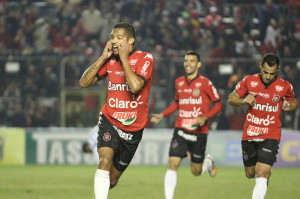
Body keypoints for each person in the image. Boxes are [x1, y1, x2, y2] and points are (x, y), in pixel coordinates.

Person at [79, 22, 154, 199]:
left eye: (119, 38)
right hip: (110, 120)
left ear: (130, 41)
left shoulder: (146, 58)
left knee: (112, 180)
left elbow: (135, 87)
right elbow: (83, 83)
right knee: (104, 161)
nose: (114, 41)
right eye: (112, 37)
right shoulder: (110, 60)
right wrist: (102, 57)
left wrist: (124, 58)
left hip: (133, 129)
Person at [151, 51, 222, 199]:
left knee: (196, 172)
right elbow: (177, 103)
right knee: (173, 163)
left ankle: (207, 162)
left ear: (198, 64)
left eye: (191, 61)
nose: (188, 64)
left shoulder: (205, 83)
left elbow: (218, 105)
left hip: (199, 132)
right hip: (181, 130)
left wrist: (205, 116)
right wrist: (162, 114)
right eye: (186, 61)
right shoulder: (179, 82)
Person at [228, 53, 298, 199]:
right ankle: (266, 174)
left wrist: (289, 105)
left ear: (277, 70)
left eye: (271, 73)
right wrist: (244, 100)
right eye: (265, 72)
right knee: (250, 174)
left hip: (270, 134)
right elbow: (231, 98)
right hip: (250, 133)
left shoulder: (284, 86)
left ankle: (265, 174)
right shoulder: (249, 81)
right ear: (260, 66)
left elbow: (293, 101)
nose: (267, 76)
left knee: (261, 172)